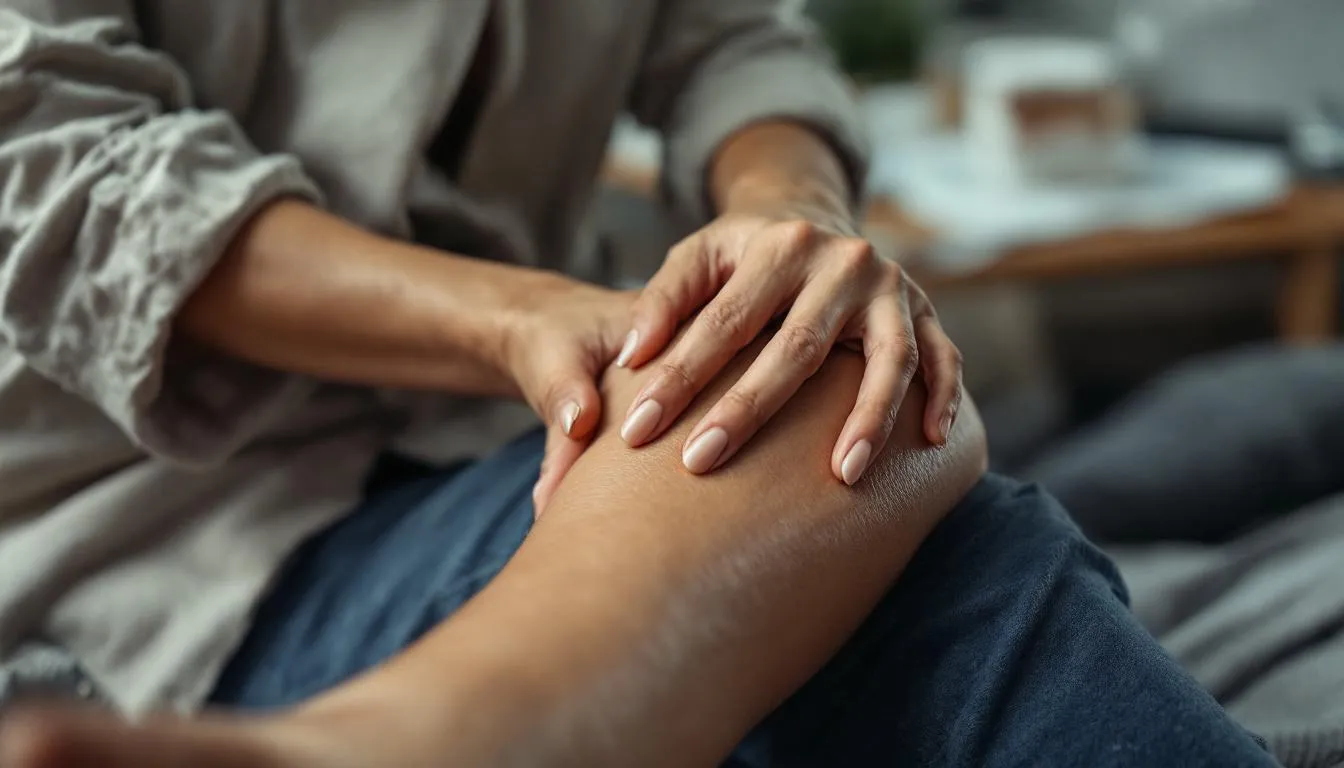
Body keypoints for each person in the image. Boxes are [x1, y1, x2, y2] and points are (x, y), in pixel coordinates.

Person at [0, 1, 1271, 765]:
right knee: (922, 521)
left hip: (521, 438)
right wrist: (521, 319)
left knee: (847, 378)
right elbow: (62, 165)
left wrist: (788, 218)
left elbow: (736, 44)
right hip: (171, 526)